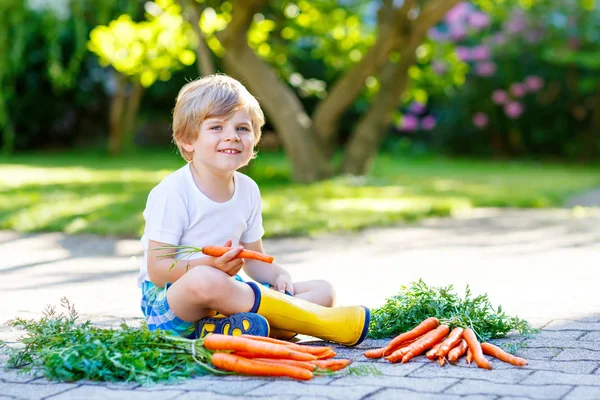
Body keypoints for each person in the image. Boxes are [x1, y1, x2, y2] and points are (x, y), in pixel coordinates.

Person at [137, 74, 336, 339]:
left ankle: (233, 329)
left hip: (229, 293)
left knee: (323, 291)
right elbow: (159, 271)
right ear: (187, 140)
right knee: (205, 280)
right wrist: (210, 265)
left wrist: (279, 275)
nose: (232, 136)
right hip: (173, 303)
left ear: (254, 138)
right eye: (217, 127)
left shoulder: (248, 190)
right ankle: (286, 320)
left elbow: (255, 260)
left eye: (242, 128)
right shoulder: (173, 192)